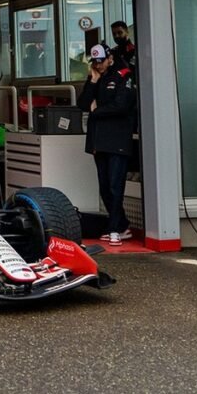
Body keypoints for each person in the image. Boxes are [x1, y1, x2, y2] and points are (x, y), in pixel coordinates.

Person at [77, 44, 136, 246]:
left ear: (110, 58)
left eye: (101, 61)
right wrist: (93, 81)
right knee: (104, 187)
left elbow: (121, 106)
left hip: (118, 139)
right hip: (98, 140)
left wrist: (96, 111)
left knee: (115, 185)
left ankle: (114, 229)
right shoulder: (96, 77)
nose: (98, 65)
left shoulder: (123, 75)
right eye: (94, 62)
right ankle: (122, 224)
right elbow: (82, 104)